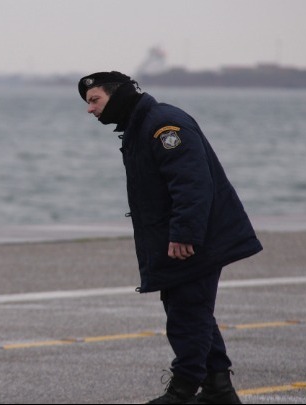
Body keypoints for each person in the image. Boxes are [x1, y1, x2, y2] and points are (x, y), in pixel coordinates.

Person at [77, 71, 263, 404]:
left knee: (187, 315)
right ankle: (218, 388)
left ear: (117, 95)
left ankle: (183, 391)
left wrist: (184, 234)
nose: (90, 110)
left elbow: (191, 183)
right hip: (187, 238)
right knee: (193, 312)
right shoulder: (141, 125)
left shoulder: (164, 125)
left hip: (197, 239)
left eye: (95, 100)